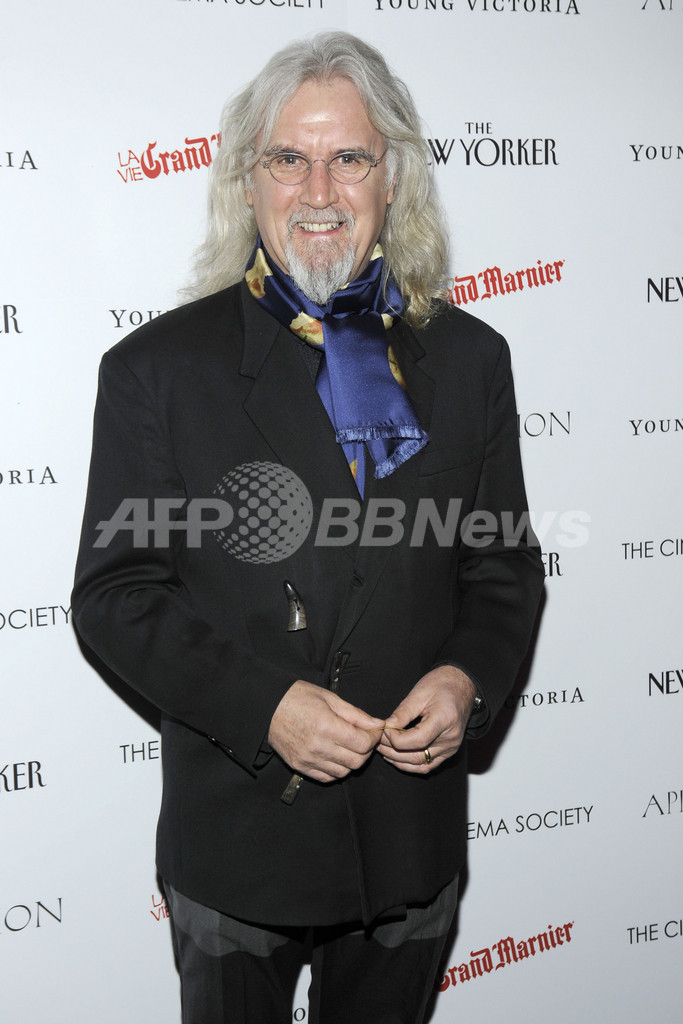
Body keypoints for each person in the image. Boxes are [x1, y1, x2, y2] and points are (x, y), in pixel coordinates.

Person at [72, 31, 544, 1024]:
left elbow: (500, 563)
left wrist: (466, 679)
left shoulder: (471, 359)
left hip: (409, 832)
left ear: (392, 179)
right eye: (288, 157)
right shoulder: (156, 371)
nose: (318, 189)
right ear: (247, 182)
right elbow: (116, 596)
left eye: (349, 158)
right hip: (239, 836)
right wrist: (264, 708)